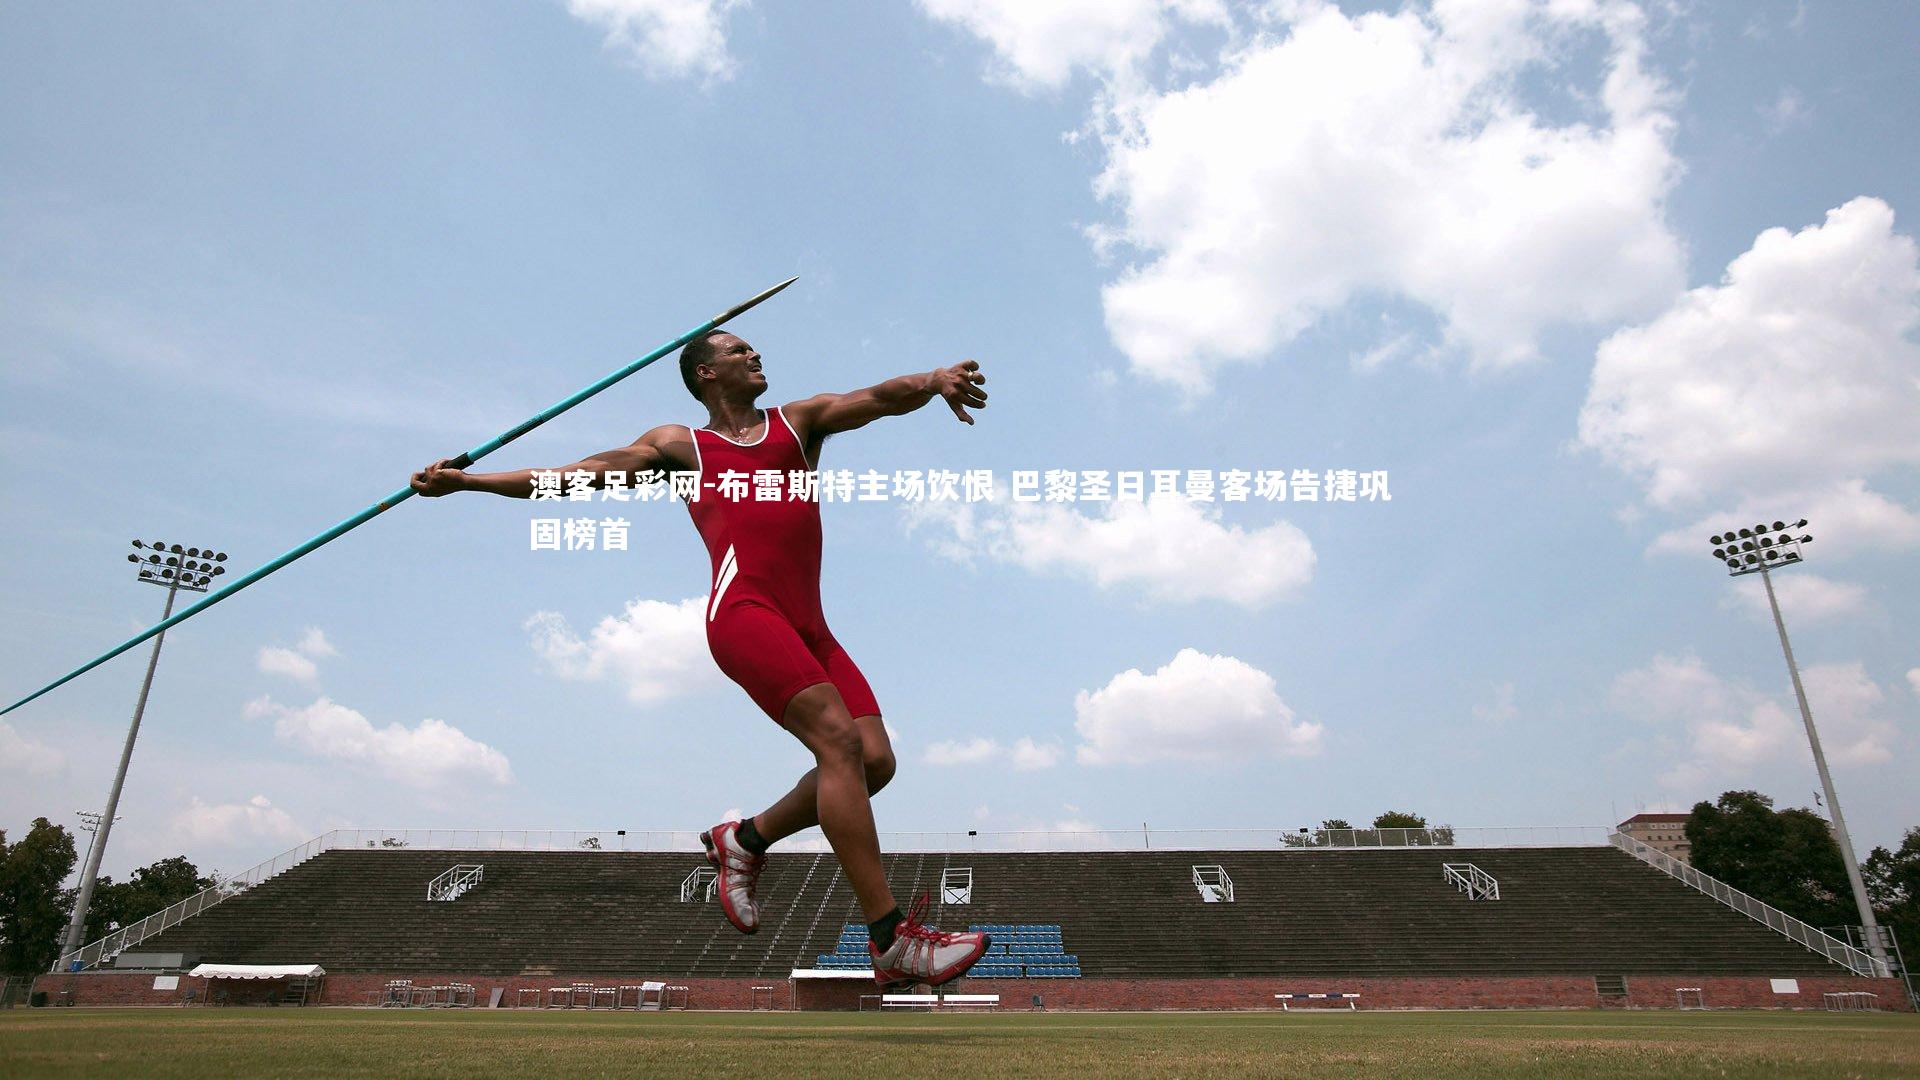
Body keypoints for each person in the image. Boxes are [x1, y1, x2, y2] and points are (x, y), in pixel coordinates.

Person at [410, 330, 991, 987]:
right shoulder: (679, 446)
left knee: (874, 760)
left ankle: (743, 841)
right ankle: (890, 938)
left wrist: (935, 377)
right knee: (837, 740)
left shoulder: (797, 424)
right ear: (706, 373)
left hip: (812, 627)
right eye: (739, 350)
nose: (756, 354)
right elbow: (580, 477)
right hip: (744, 613)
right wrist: (470, 482)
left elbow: (878, 398)